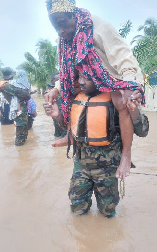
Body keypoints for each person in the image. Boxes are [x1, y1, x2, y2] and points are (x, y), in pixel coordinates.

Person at [45, 0, 145, 179]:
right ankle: (71, 134)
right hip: (84, 76)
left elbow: (125, 59)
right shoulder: (64, 38)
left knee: (121, 101)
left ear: (73, 15)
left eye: (62, 24)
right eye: (55, 27)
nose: (60, 31)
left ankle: (126, 154)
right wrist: (56, 89)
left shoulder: (99, 28)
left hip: (108, 76)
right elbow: (65, 70)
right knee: (67, 90)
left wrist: (131, 88)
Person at [44, 72, 149, 217]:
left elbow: (142, 131)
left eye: (86, 78)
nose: (81, 82)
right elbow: (73, 130)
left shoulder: (118, 99)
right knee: (77, 207)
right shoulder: (76, 97)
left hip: (108, 168)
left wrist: (134, 110)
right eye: (79, 77)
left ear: (99, 77)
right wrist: (58, 116)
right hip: (81, 165)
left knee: (107, 211)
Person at [0, 70, 31, 146]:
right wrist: (21, 92)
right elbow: (27, 95)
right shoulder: (10, 85)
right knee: (21, 126)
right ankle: (20, 146)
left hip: (22, 107)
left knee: (23, 126)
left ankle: (22, 145)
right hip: (18, 108)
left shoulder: (21, 84)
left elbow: (27, 96)